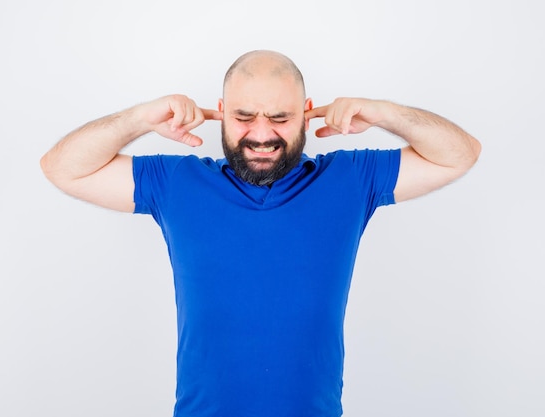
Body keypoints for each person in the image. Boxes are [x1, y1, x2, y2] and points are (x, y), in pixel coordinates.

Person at [40, 50, 481, 417]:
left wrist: (384, 113)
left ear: (308, 115)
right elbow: (63, 169)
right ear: (221, 114)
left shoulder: (350, 179)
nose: (262, 134)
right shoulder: (176, 182)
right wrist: (140, 117)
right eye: (245, 116)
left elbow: (458, 156)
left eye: (281, 117)